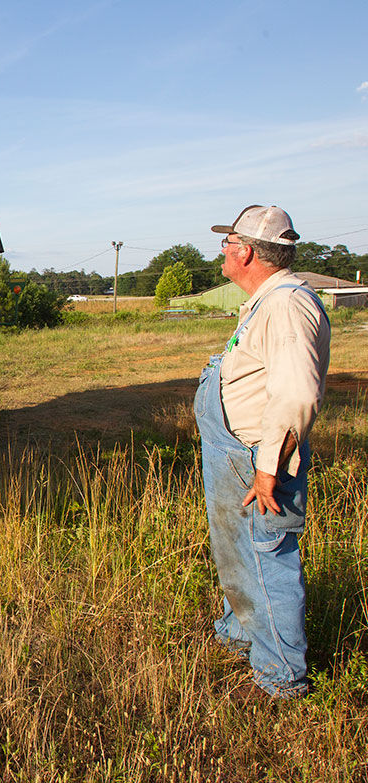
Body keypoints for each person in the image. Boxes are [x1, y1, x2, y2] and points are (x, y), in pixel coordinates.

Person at [195, 205, 330, 699]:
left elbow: (296, 396)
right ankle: (241, 634)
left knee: (266, 558)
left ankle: (280, 679)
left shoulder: (286, 305)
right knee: (236, 549)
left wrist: (268, 471)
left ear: (247, 251)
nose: (223, 252)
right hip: (237, 453)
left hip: (257, 461)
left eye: (227, 244)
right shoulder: (262, 302)